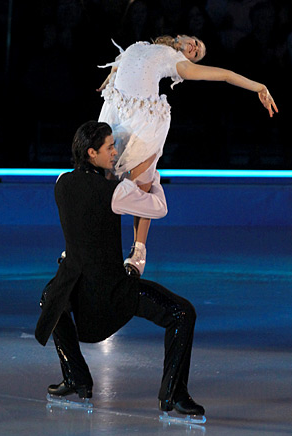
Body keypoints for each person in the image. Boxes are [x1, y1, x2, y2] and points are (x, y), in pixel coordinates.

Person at [35, 120, 205, 418]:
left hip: (73, 284)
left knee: (51, 297)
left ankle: (76, 377)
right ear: (91, 153)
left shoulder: (61, 181)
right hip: (111, 292)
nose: (115, 151)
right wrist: (154, 178)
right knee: (182, 313)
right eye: (110, 147)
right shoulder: (114, 192)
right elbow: (158, 208)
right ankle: (173, 395)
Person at [97, 34, 278, 276]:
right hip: (116, 111)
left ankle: (139, 248)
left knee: (140, 185)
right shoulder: (140, 45)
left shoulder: (175, 61)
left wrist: (259, 87)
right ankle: (93, 244)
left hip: (144, 119)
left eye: (197, 53)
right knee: (103, 181)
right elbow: (123, 62)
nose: (195, 47)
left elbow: (225, 75)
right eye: (195, 42)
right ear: (182, 36)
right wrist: (113, 74)